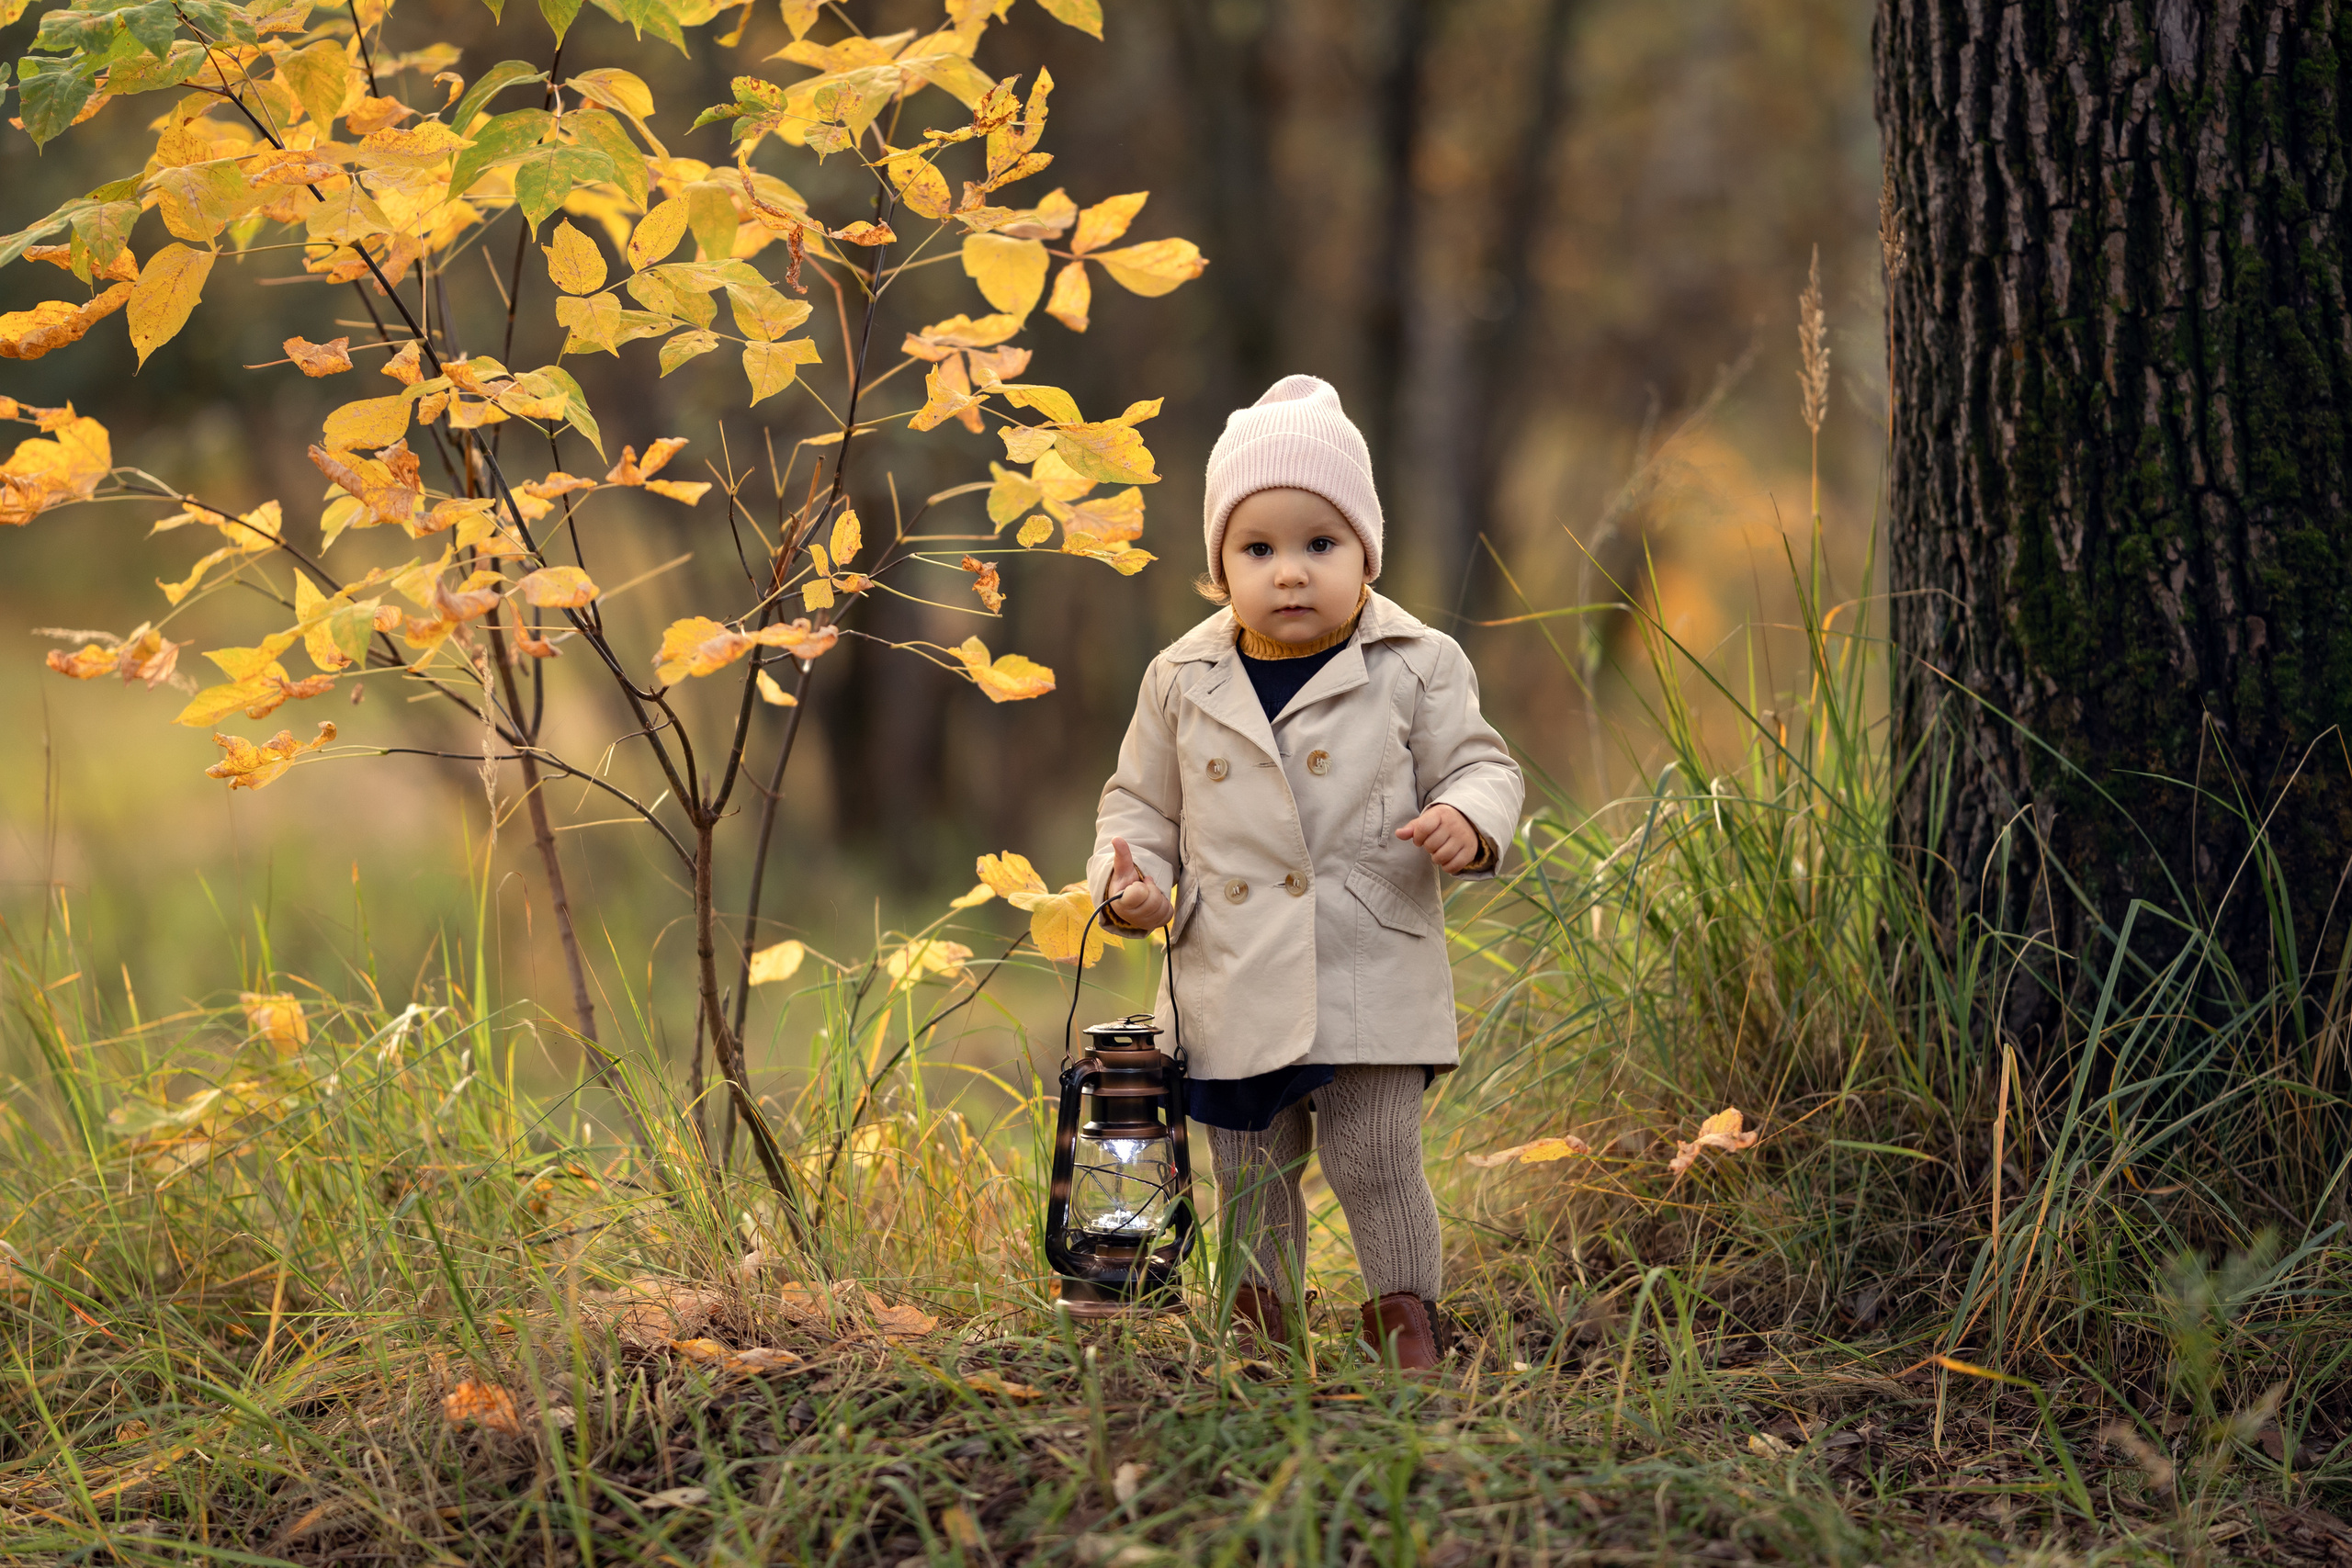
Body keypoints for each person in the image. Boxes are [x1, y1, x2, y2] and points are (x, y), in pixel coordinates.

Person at [1085, 374, 1525, 1371]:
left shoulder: (1417, 661)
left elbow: (1482, 763)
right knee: (1247, 1161)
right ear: (1219, 568)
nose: (1290, 572)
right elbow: (1138, 806)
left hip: (1367, 949)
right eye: (1258, 548)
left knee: (1372, 1155)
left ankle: (1404, 1321)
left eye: (1319, 545)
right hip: (1228, 960)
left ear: (1366, 553)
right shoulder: (1180, 678)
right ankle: (1260, 1326)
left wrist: (1467, 817)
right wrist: (1132, 883)